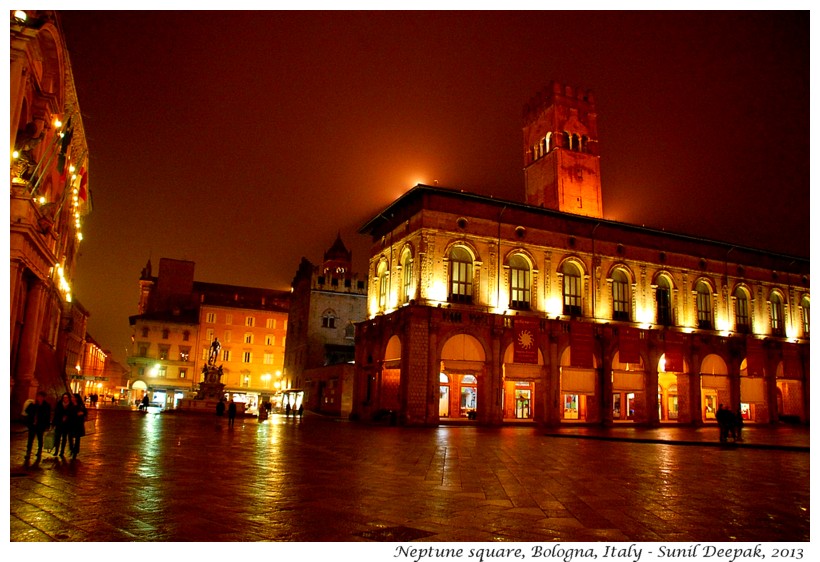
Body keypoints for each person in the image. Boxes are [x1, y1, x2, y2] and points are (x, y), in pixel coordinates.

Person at [24, 391, 51, 460]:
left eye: (41, 397)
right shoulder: (33, 404)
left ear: (44, 398)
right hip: (32, 424)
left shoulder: (46, 406)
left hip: (40, 425)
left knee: (40, 438)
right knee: (30, 439)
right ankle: (28, 451)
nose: (39, 398)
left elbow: (47, 416)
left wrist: (47, 425)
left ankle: (39, 451)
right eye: (38, 396)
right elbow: (27, 411)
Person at [53, 392, 73, 457]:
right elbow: (56, 413)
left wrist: (67, 417)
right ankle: (56, 451)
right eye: (64, 397)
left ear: (69, 398)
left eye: (66, 397)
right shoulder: (59, 404)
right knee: (57, 438)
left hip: (67, 425)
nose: (65, 399)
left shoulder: (71, 405)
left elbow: (72, 414)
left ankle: (62, 451)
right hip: (59, 423)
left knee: (64, 438)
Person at [69, 393, 88, 458]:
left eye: (73, 397)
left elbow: (85, 412)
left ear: (76, 398)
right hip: (71, 423)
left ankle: (75, 451)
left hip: (78, 424)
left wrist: (82, 413)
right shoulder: (70, 405)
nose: (72, 399)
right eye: (71, 397)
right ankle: (72, 448)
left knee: (77, 438)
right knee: (70, 437)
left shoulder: (80, 405)